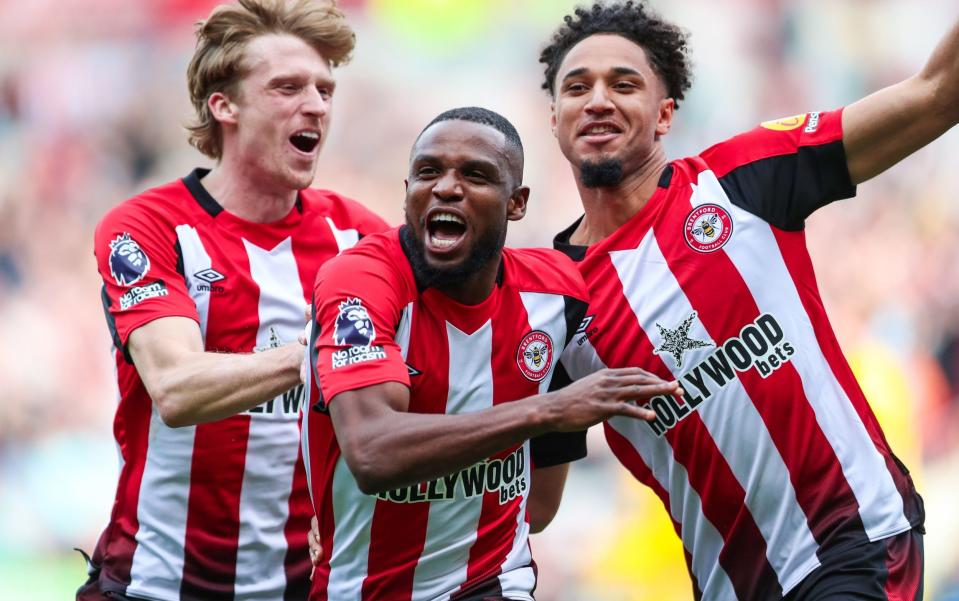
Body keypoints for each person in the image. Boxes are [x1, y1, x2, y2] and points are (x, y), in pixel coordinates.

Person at [540, 2, 956, 599]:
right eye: (577, 87)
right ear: (555, 117)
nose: (598, 99)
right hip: (731, 586)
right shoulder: (552, 305)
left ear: (664, 114)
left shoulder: (741, 179)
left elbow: (938, 95)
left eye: (623, 83)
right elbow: (536, 510)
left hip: (852, 540)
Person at [301, 106, 680, 600]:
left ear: (516, 203)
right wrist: (546, 411)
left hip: (491, 583)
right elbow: (373, 452)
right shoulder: (363, 280)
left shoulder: (557, 297)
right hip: (359, 587)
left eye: (475, 175)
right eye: (428, 172)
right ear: (408, 190)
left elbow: (540, 508)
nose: (446, 188)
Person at [80, 1, 389, 599]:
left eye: (325, 89)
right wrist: (324, 351)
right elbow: (176, 387)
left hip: (304, 587)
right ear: (224, 105)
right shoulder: (148, 226)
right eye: (287, 87)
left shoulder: (360, 239)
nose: (317, 105)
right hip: (155, 584)